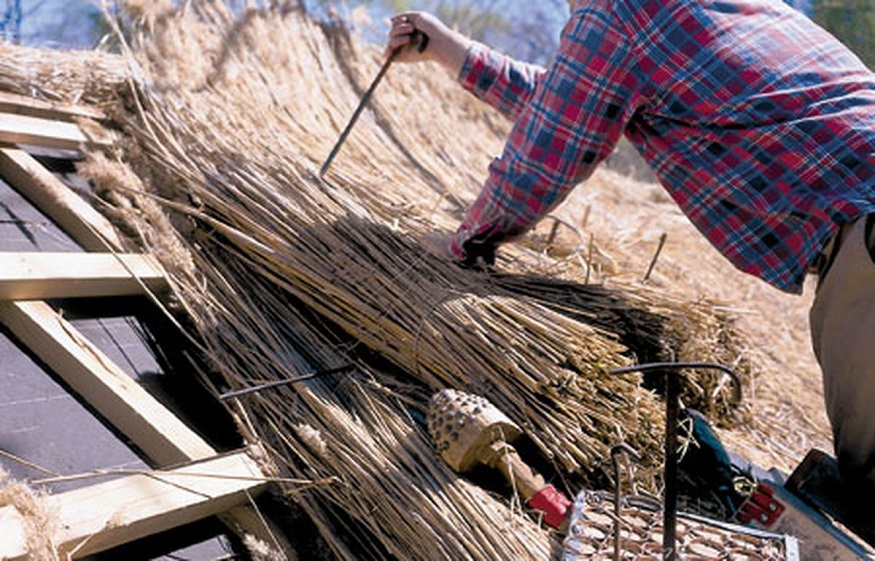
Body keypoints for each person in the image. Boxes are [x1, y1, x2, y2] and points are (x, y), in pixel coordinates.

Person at [386, 2, 875, 506]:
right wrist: (451, 50)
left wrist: (462, 243)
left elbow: (546, 153)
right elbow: (570, 106)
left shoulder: (616, 12)